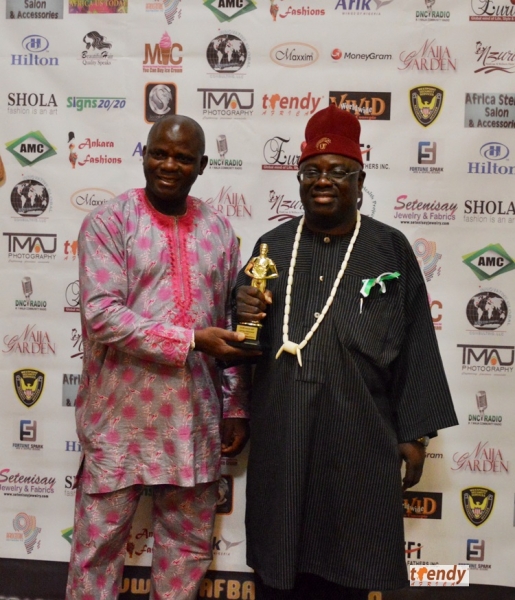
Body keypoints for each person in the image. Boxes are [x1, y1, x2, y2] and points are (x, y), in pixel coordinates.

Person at [235, 104, 458, 599]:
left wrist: (415, 433)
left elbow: (417, 340)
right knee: (278, 570)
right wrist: (241, 308)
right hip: (283, 438)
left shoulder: (389, 249)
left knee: (351, 569)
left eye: (338, 171)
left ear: (360, 180)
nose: (323, 180)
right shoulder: (271, 248)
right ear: (299, 180)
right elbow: (243, 343)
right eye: (311, 171)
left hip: (359, 440)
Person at [66, 114, 256, 600]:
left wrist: (235, 405)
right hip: (117, 422)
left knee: (186, 554)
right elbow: (102, 315)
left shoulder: (220, 230)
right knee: (96, 553)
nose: (169, 165)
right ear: (144, 155)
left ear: (202, 165)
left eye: (183, 158)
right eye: (159, 153)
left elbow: (232, 322)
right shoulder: (109, 221)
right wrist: (191, 340)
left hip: (194, 424)